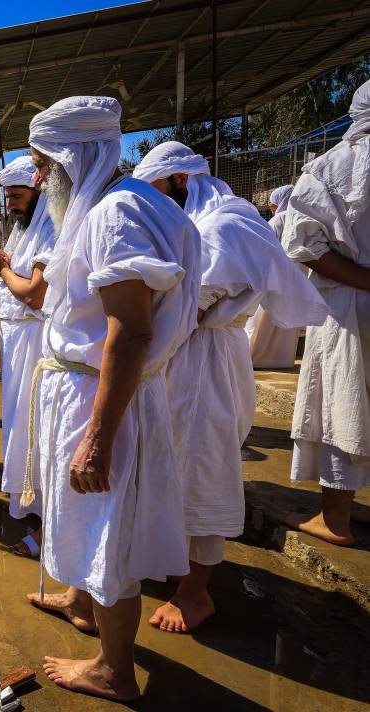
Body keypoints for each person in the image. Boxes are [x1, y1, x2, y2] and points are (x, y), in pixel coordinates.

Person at [24, 96, 200, 702]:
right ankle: (80, 604)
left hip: (102, 402)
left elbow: (131, 332)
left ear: (77, 155)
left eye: (44, 163)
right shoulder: (109, 206)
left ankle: (114, 670)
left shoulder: (116, 213)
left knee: (110, 540)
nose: (40, 177)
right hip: (91, 391)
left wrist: (96, 440)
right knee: (96, 526)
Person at [133, 142, 327, 634]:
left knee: (201, 471)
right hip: (185, 356)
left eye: (157, 191)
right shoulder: (203, 223)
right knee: (171, 465)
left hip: (204, 364)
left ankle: (196, 593)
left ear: (180, 181)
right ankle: (178, 566)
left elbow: (190, 307)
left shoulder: (225, 224)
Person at [280, 79, 370, 546]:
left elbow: (303, 246)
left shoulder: (331, 166)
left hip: (349, 302)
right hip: (350, 299)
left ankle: (335, 519)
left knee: (342, 403)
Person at [0, 155, 56, 558]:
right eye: (7, 197)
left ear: (38, 191)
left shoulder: (49, 225)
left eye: (17, 196)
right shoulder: (21, 229)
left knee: (35, 425)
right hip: (15, 343)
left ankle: (43, 508)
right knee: (17, 425)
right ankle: (26, 502)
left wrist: (2, 271)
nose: (11, 204)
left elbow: (34, 292)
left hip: (35, 342)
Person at [245, 184, 303, 368]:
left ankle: (253, 358)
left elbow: (262, 249)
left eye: (273, 206)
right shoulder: (301, 219)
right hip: (295, 280)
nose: (272, 210)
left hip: (273, 279)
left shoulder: (278, 221)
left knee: (261, 320)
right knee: (285, 324)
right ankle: (281, 360)